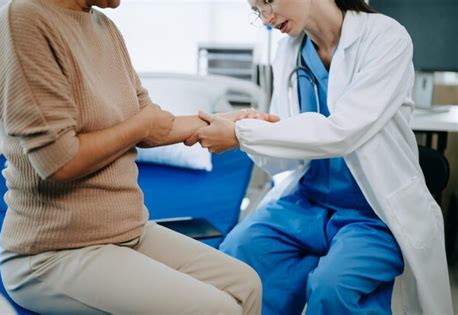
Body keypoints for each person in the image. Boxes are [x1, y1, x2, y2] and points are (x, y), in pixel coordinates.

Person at [0, 0, 271, 313]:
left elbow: (155, 124)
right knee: (219, 309)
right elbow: (59, 161)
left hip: (128, 232)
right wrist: (141, 125)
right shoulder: (22, 21)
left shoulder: (104, 28)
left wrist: (233, 119)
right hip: (53, 251)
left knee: (246, 285)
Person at [187, 0, 454, 314]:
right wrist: (257, 129)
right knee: (238, 253)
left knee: (333, 287)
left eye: (268, 1)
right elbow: (285, 157)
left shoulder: (386, 38)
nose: (266, 18)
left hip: (371, 213)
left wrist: (241, 135)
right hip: (307, 203)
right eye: (257, 9)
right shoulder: (288, 53)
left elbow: (343, 132)